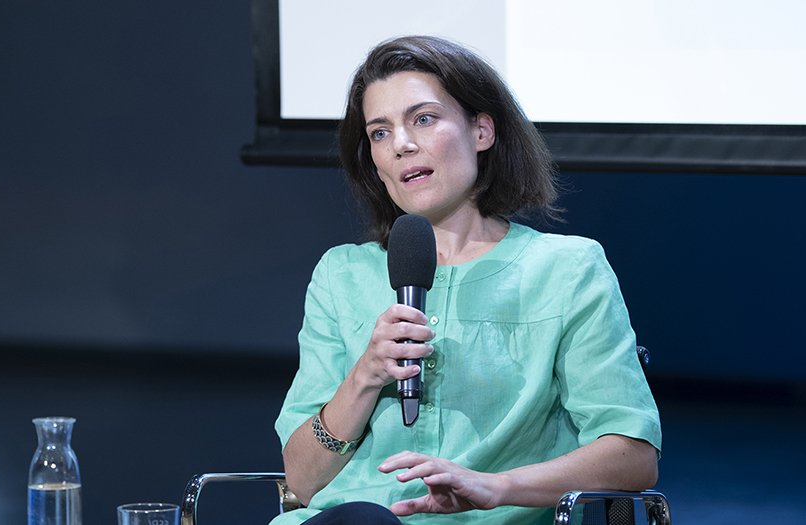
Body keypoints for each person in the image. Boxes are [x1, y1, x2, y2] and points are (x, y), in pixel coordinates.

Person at [272, 36, 661, 525]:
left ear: (481, 130)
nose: (402, 144)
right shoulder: (341, 275)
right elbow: (301, 480)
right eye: (380, 133)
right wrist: (365, 375)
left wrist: (497, 486)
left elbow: (633, 457)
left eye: (423, 119)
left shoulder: (567, 269)